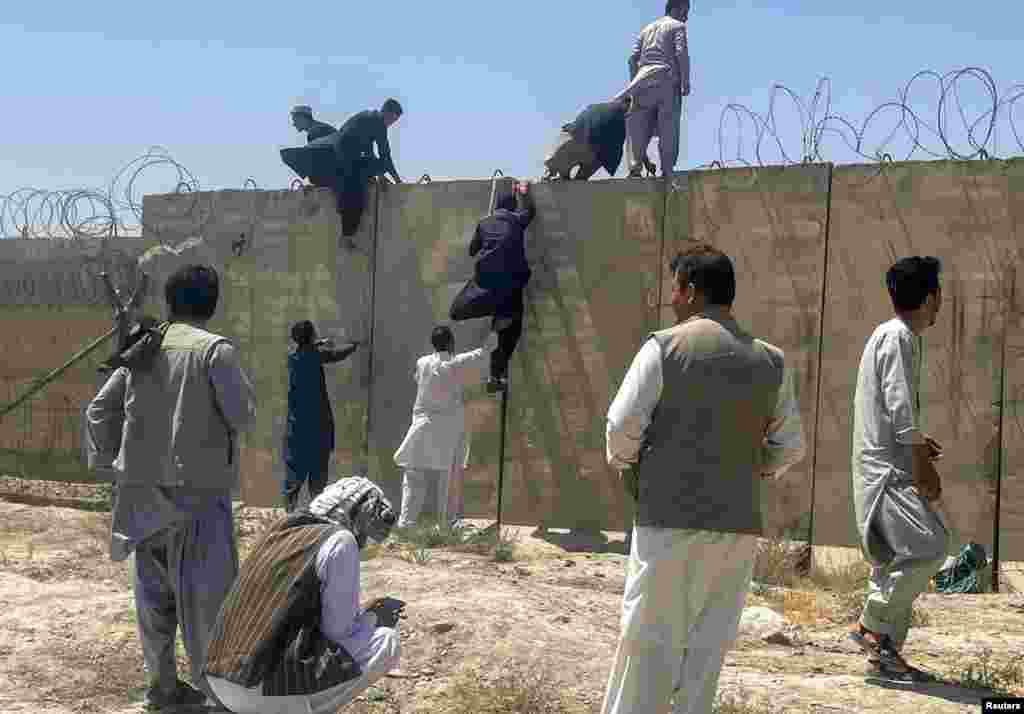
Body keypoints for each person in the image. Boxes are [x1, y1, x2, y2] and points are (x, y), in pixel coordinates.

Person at [600, 244, 806, 714]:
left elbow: (620, 426)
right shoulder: (771, 360)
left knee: (648, 642)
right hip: (737, 525)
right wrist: (752, 468)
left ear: (690, 290)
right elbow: (790, 445)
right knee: (706, 649)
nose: (671, 299)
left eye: (675, 288)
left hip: (668, 518)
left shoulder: (664, 346)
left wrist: (628, 464)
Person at [85, 264, 256, 709]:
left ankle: (162, 691)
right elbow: (244, 416)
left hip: (141, 500)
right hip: (196, 501)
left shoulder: (145, 347)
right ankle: (218, 698)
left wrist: (114, 464)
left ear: (170, 301)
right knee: (209, 610)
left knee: (154, 603)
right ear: (212, 302)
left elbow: (98, 412)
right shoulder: (214, 352)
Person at [204, 477, 403, 714]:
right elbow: (337, 633)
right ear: (357, 515)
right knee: (386, 640)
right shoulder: (341, 540)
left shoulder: (281, 528)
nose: (365, 541)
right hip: (257, 689)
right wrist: (372, 618)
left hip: (219, 680)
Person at [848, 256, 949, 683]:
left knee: (895, 560)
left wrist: (917, 447)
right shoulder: (897, 337)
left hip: (888, 466)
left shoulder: (892, 336)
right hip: (889, 475)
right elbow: (900, 408)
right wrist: (921, 463)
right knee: (931, 546)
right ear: (930, 297)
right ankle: (871, 625)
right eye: (939, 292)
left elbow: (892, 414)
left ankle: (885, 654)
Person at [393, 326, 499, 527]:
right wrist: (495, 332)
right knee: (448, 478)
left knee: (414, 476)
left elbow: (420, 377)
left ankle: (406, 523)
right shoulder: (455, 364)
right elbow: (483, 352)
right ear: (451, 343)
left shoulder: (422, 362)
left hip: (421, 427)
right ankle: (446, 523)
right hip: (447, 429)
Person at [449, 180, 535, 393]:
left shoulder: (484, 223)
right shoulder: (516, 220)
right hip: (510, 287)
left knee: (456, 311)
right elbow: (530, 210)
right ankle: (496, 373)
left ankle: (495, 314)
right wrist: (524, 192)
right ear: (512, 208)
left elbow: (472, 251)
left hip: (484, 285)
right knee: (510, 331)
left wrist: (484, 230)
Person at [283, 320, 361, 513]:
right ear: (311, 337)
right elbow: (336, 354)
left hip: (297, 427)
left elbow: (309, 351)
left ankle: (289, 512)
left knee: (295, 472)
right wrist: (354, 346)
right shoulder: (317, 355)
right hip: (318, 425)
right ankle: (317, 512)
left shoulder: (293, 357)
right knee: (317, 474)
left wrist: (317, 343)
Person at [616, 0, 691, 178]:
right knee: (668, 127)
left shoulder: (646, 29)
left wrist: (635, 82)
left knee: (638, 128)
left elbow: (632, 59)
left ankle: (634, 169)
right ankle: (667, 170)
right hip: (666, 79)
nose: (686, 16)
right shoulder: (677, 26)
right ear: (677, 8)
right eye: (685, 11)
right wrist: (685, 81)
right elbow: (681, 52)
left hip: (642, 81)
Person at [543, 98, 629, 181]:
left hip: (570, 142)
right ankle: (578, 179)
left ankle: (553, 174)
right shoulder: (620, 123)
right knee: (601, 157)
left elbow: (574, 125)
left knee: (557, 164)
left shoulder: (595, 107)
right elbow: (614, 153)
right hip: (589, 152)